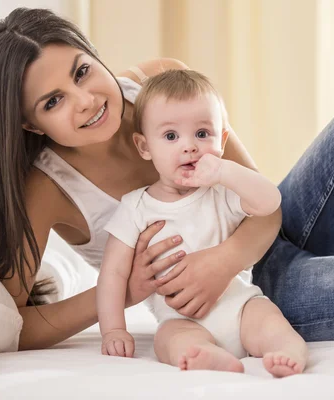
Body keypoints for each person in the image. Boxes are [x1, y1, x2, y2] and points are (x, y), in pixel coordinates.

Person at [0, 7, 334, 357]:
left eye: (81, 71)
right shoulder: (45, 189)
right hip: (254, 298)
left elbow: (264, 205)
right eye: (53, 102)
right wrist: (125, 292)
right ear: (29, 124)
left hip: (262, 243)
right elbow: (13, 324)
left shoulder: (157, 85)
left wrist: (223, 258)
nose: (85, 99)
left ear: (93, 55)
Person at [97, 69, 307, 377]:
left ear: (221, 140)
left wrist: (225, 172)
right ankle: (206, 355)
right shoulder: (136, 207)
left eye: (202, 133)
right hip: (180, 318)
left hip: (239, 307)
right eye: (171, 136)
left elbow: (270, 202)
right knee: (167, 340)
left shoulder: (221, 192)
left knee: (267, 319)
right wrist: (113, 329)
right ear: (144, 147)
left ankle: (287, 350)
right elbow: (112, 272)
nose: (189, 146)